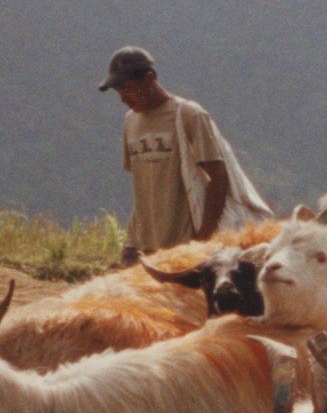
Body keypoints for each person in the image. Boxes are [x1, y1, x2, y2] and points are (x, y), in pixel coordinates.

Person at [99, 46, 273, 266]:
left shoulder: (190, 115)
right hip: (142, 244)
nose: (123, 98)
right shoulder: (130, 121)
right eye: (118, 91)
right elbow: (143, 183)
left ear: (149, 78)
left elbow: (218, 177)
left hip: (182, 245)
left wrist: (202, 240)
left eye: (127, 89)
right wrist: (132, 243)